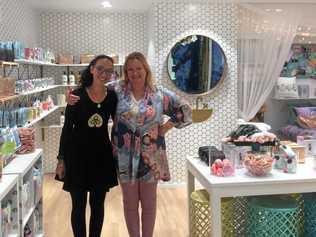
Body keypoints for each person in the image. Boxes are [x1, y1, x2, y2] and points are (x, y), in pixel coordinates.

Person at [68, 52, 192, 237]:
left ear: (146, 69)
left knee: (149, 203)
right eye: (130, 69)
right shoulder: (117, 91)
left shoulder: (159, 94)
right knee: (130, 203)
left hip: (152, 157)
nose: (135, 73)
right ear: (126, 72)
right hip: (124, 156)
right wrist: (72, 95)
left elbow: (185, 108)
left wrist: (165, 127)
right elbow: (94, 89)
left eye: (138, 68)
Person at [55, 55, 118, 237]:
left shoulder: (112, 97)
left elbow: (119, 123)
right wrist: (61, 159)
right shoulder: (76, 96)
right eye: (100, 69)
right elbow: (67, 130)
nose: (104, 74)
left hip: (102, 157)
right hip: (77, 158)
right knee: (78, 206)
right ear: (91, 68)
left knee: (98, 206)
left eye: (109, 71)